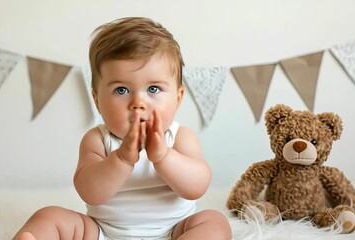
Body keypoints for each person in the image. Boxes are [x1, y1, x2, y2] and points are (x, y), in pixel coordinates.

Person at [13, 17, 232, 240]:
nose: (138, 102)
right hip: (103, 233)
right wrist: (122, 158)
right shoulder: (97, 140)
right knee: (49, 216)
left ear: (177, 98)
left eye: (153, 89)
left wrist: (163, 156)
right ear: (98, 101)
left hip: (174, 231)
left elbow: (196, 187)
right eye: (121, 90)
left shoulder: (179, 137)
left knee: (214, 222)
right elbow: (89, 192)